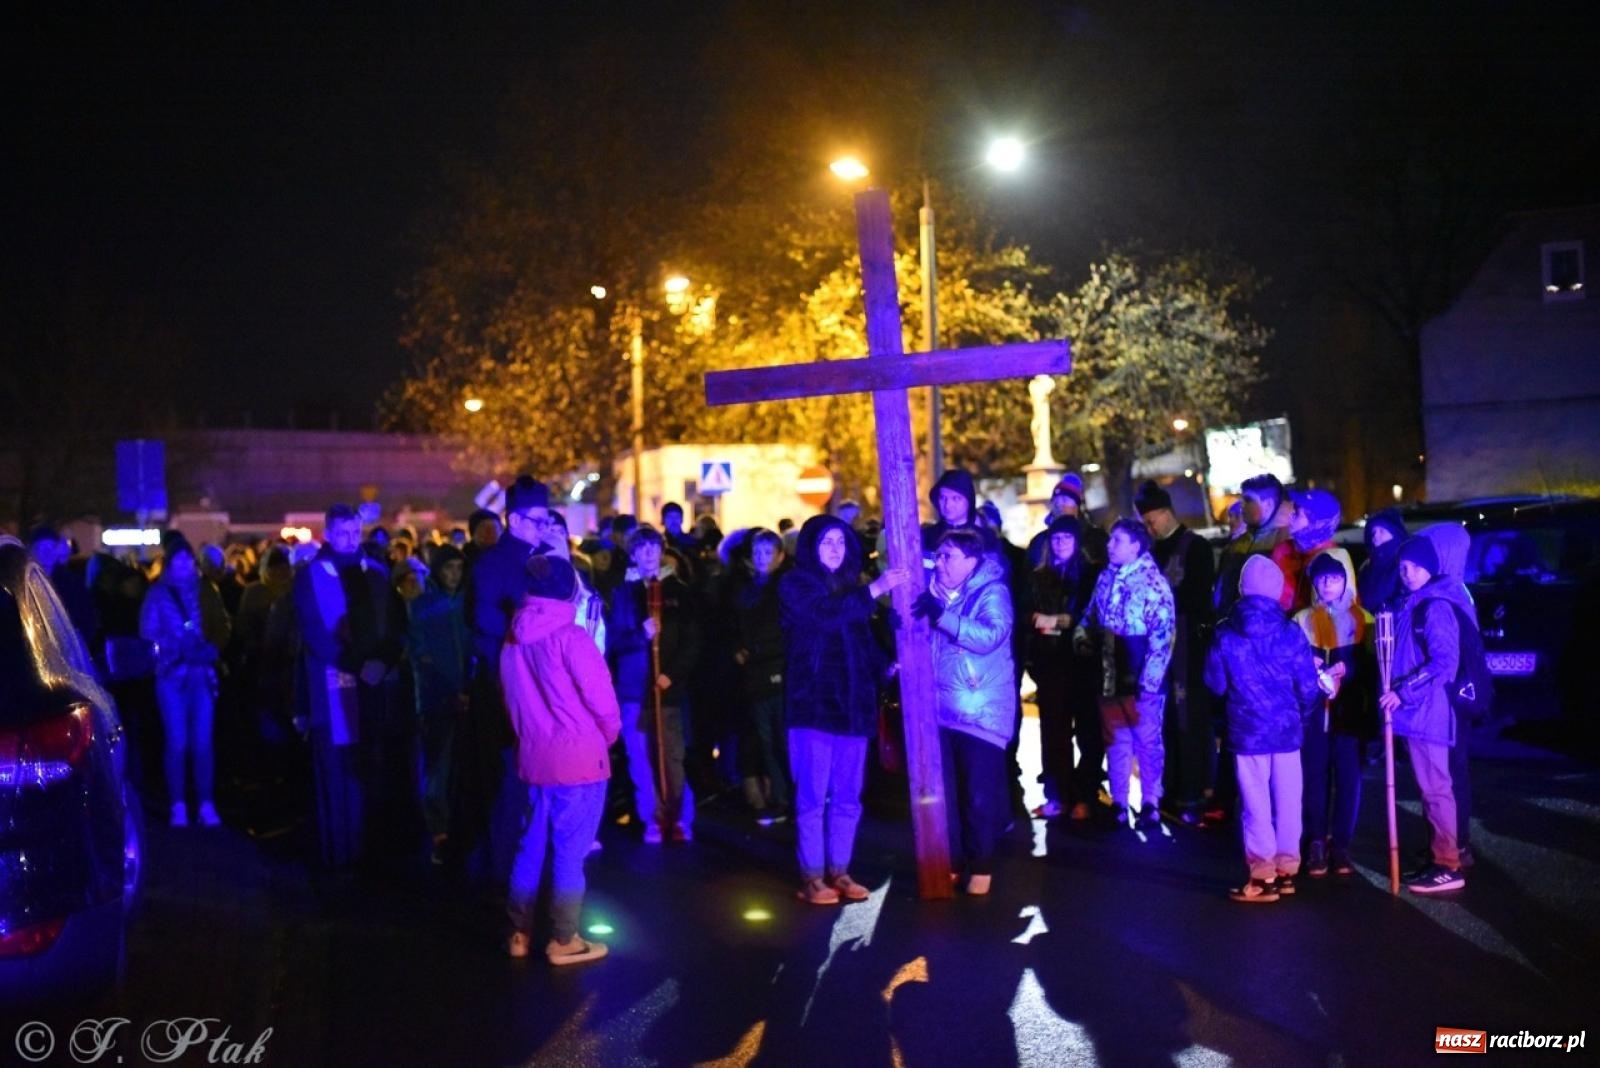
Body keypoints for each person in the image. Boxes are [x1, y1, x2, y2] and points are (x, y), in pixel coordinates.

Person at [780, 515, 909, 904]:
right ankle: (812, 877)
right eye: (826, 542)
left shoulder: (854, 589)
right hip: (813, 707)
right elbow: (823, 615)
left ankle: (839, 870)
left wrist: (887, 666)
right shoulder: (796, 584)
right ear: (811, 548)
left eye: (841, 541)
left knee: (849, 797)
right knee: (812, 798)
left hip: (853, 710)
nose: (835, 548)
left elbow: (862, 645)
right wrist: (875, 589)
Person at [501, 555, 620, 964]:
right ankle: (564, 939)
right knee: (571, 850)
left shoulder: (513, 639)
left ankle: (519, 932)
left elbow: (513, 703)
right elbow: (602, 701)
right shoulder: (572, 637)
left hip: (535, 757)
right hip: (580, 759)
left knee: (529, 846)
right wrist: (608, 736)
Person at [293, 504, 408, 868]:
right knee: (337, 771)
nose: (348, 539)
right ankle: (341, 854)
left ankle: (374, 852)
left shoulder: (374, 571)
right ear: (328, 533)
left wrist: (382, 660)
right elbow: (313, 631)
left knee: (370, 769)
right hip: (332, 684)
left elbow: (393, 624)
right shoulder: (311, 575)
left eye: (354, 532)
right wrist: (354, 664)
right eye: (341, 532)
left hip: (371, 684)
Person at [1204, 556, 1322, 902]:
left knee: (1255, 803)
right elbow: (1309, 685)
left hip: (1246, 731)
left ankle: (1262, 876)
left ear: (1242, 589)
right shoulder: (1290, 631)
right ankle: (1287, 869)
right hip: (1287, 731)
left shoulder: (1226, 632)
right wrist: (1302, 714)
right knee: (1288, 800)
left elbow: (1214, 682)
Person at [915, 528, 1015, 894]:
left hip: (980, 711)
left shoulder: (992, 592)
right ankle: (953, 860)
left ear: (972, 561)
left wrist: (941, 616)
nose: (939, 563)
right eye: (938, 556)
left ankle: (982, 866)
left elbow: (990, 636)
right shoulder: (931, 594)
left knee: (977, 794)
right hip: (940, 710)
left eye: (948, 556)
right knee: (948, 796)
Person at [1380, 536, 1469, 894]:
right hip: (1415, 713)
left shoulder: (1434, 607)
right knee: (1430, 788)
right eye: (1403, 567)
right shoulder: (1411, 604)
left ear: (1430, 568)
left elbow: (1445, 663)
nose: (1408, 573)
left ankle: (1448, 864)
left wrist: (1403, 691)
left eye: (1415, 566)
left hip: (1427, 713)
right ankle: (1440, 855)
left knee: (1436, 789)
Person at [1077, 517, 1175, 830]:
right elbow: (1089, 615)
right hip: (1108, 673)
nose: (1109, 545)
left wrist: (1149, 681)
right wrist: (1081, 638)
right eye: (1111, 540)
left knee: (1147, 741)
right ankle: (1120, 802)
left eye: (1117, 541)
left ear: (1136, 546)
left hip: (1140, 677)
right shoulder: (1105, 578)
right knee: (1116, 739)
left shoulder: (1153, 583)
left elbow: (1163, 636)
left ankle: (1150, 802)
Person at [606, 525, 701, 843]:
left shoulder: (681, 592)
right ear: (632, 554)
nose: (648, 554)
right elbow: (613, 641)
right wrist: (638, 634)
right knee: (640, 760)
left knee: (671, 756)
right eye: (641, 549)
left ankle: (679, 816)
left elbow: (692, 641)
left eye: (653, 548)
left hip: (667, 690)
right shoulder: (622, 594)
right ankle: (652, 819)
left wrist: (671, 674)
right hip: (633, 689)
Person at [1136, 480, 1216, 823]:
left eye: (1152, 520)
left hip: (1186, 646)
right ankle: (1167, 788)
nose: (1149, 527)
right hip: (1157, 647)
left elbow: (1198, 598)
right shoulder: (1150, 551)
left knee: (1188, 719)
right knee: (1162, 720)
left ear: (1166, 513)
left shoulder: (1195, 547)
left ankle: (1192, 791)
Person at [140, 530, 231, 828]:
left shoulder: (205, 590)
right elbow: (148, 635)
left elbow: (221, 624)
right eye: (177, 561)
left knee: (203, 741)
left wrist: (211, 649)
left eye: (186, 560)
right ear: (169, 564)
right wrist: (177, 649)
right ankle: (179, 804)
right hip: (171, 674)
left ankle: (205, 803)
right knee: (177, 740)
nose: (183, 566)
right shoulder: (157, 593)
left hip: (201, 672)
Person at [1293, 549, 1374, 877]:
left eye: (1335, 578)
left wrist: (1347, 669)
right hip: (1313, 713)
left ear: (1346, 581)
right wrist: (1308, 668)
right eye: (1323, 578)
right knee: (1313, 776)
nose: (1328, 584)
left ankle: (1341, 844)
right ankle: (1315, 841)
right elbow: (1292, 664)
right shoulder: (1301, 620)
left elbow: (1372, 669)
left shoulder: (1361, 619)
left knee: (1348, 778)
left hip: (1349, 712)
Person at [1024, 515, 1102, 820]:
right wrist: (1042, 620)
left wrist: (1062, 621)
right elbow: (1028, 612)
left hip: (1082, 661)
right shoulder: (1038, 576)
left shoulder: (1089, 575)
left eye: (1066, 539)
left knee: (1088, 729)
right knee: (1053, 732)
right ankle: (1058, 795)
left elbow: (1089, 614)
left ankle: (1085, 794)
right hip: (1050, 660)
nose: (1060, 544)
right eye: (1055, 539)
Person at [1418, 521, 1478, 870]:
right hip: (1452, 694)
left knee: (1449, 773)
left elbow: (1446, 656)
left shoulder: (1446, 593)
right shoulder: (1457, 587)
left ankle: (1455, 847)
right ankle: (1446, 844)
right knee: (1447, 772)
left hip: (1450, 696)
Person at [408, 543, 470, 863]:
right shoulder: (421, 606)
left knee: (462, 767)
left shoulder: (466, 602)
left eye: (459, 568)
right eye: (448, 568)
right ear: (437, 569)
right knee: (438, 770)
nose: (454, 575)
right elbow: (422, 654)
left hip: (467, 698)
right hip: (437, 701)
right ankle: (438, 832)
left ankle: (459, 829)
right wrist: (451, 689)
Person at [734, 528, 791, 824]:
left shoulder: (784, 589)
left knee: (782, 740)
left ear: (780, 556)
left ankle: (791, 798)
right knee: (767, 742)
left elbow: (779, 633)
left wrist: (752, 651)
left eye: (768, 553)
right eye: (757, 553)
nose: (761, 558)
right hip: (755, 677)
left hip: (777, 672)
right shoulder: (747, 590)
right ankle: (780, 798)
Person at [1214, 473, 1293, 620]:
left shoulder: (1285, 542)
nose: (1241, 506)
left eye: (1248, 500)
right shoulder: (1240, 542)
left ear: (1268, 504)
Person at [1271, 489, 1342, 613]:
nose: (1291, 515)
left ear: (1316, 523)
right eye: (1293, 509)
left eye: (1297, 512)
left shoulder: (1333, 558)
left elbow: (1340, 610)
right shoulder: (1282, 550)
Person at [1357, 508, 1408, 616]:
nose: (1376, 536)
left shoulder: (1404, 564)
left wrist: (1385, 613)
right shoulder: (1366, 568)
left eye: (1382, 531)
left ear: (1395, 534)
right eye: (1373, 532)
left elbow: (1405, 598)